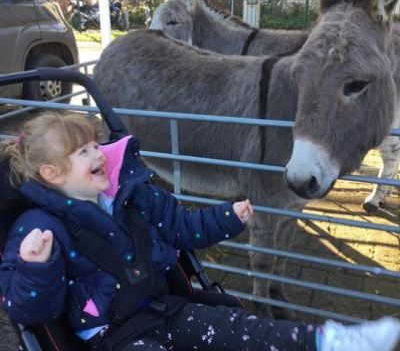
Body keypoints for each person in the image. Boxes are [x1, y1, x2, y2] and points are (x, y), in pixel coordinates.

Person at [0, 112, 399, 351]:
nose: (98, 154)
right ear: (52, 173)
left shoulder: (132, 195)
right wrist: (36, 267)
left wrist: (227, 217)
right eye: (83, 151)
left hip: (167, 308)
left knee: (241, 329)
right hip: (115, 337)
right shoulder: (37, 232)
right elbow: (32, 313)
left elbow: (181, 226)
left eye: (95, 145)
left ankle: (326, 341)